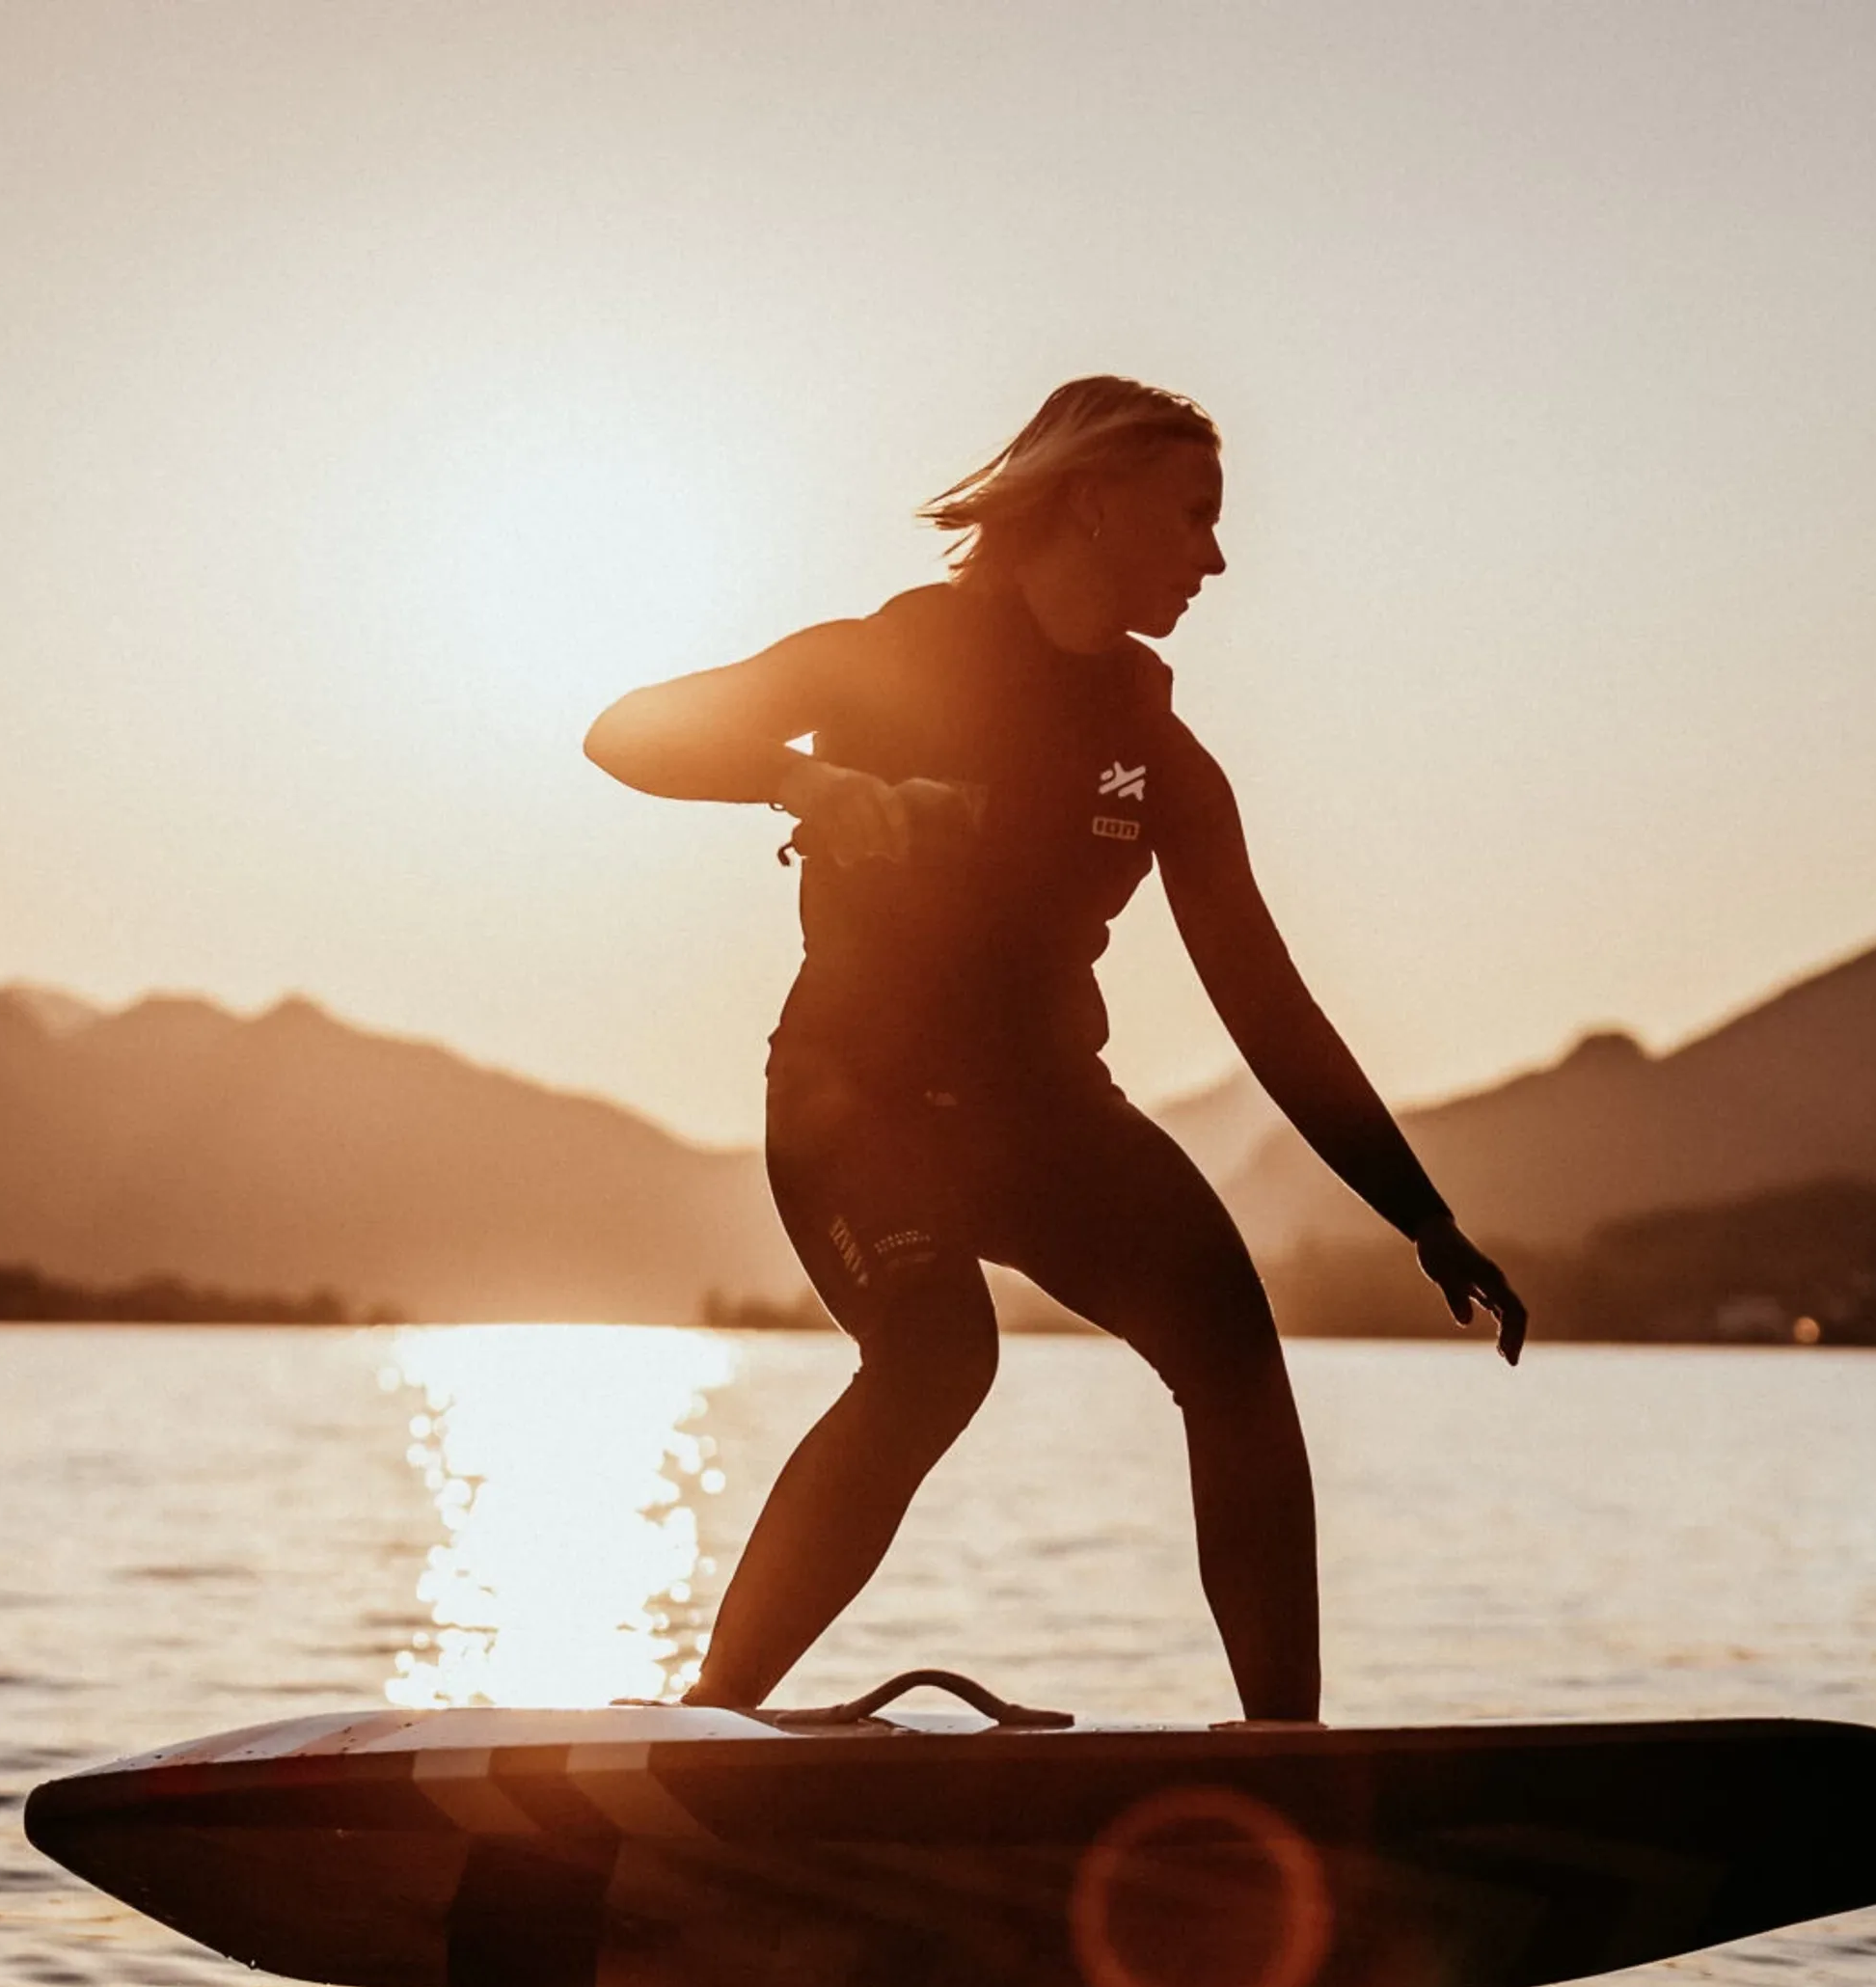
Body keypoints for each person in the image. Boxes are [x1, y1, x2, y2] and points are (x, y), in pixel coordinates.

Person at [584, 376, 1522, 1723]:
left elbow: (1271, 1009)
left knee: (1234, 1358)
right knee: (937, 1358)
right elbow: (623, 731)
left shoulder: (1160, 760)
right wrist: (804, 778)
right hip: (861, 1115)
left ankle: (1286, 1761)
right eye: (1193, 514)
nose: (1216, 555)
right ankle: (710, 1720)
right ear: (1090, 502)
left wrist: (1423, 1217)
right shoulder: (882, 660)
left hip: (1047, 1120)